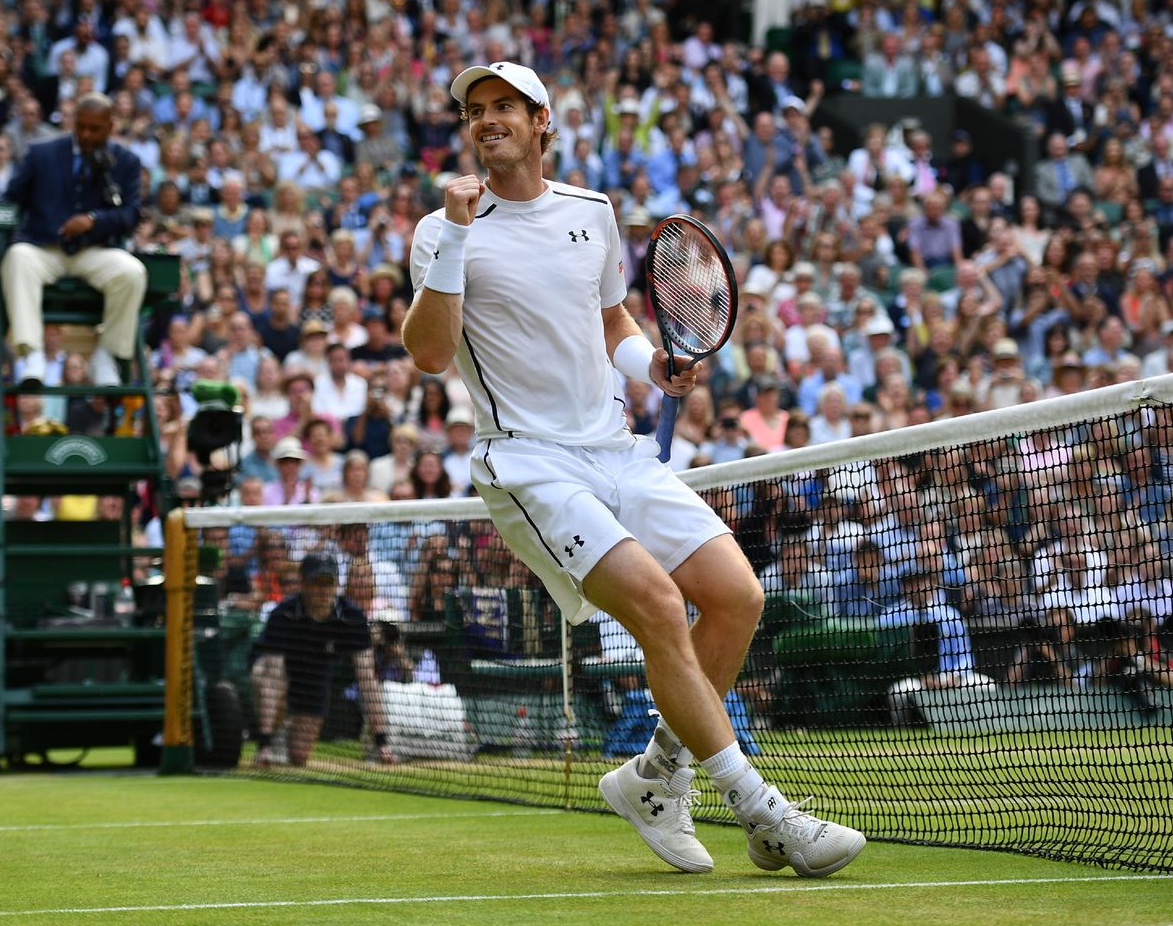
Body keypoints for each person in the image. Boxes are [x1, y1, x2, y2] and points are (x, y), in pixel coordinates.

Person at [402, 60, 864, 878]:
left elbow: (611, 316)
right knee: (657, 605)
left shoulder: (592, 212)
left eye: (505, 105)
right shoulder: (442, 230)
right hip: (527, 462)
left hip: (616, 448)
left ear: (542, 121)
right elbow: (430, 354)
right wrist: (460, 234)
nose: (487, 119)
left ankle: (655, 774)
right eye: (475, 110)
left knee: (737, 598)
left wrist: (650, 364)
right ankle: (767, 813)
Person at [0, 92, 146, 387]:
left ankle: (106, 356)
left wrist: (94, 220)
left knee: (132, 273)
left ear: (111, 126)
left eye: (95, 128)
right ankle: (31, 354)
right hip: (45, 249)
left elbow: (132, 215)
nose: (86, 134)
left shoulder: (126, 161)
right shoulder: (42, 153)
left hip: (94, 251)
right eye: (81, 126)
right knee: (17, 257)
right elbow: (10, 202)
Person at [250, 550, 396, 767]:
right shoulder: (283, 615)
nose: (323, 590)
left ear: (336, 585)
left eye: (328, 583)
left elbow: (367, 679)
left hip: (315, 677)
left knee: (299, 756)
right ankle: (271, 736)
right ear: (303, 583)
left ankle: (288, 731)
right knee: (266, 676)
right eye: (316, 583)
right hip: (278, 673)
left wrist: (381, 742)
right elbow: (273, 673)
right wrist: (265, 744)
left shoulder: (352, 618)